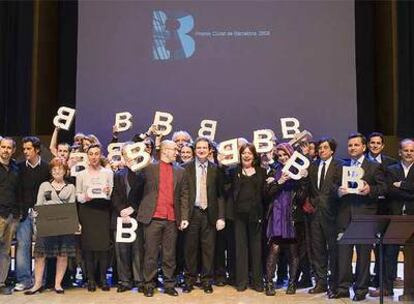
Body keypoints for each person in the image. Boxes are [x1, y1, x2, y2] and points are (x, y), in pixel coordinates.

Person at [331, 133, 387, 301]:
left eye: (356, 145)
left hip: (365, 215)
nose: (352, 148)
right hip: (344, 216)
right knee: (344, 255)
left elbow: (383, 188)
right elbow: (332, 187)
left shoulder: (374, 167)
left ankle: (361, 290)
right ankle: (343, 288)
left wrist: (370, 189)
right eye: (350, 145)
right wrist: (338, 191)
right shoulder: (342, 166)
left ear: (364, 147)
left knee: (363, 255)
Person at [137, 140, 187, 297]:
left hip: (172, 218)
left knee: (169, 254)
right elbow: (137, 184)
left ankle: (169, 284)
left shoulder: (180, 171)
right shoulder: (149, 168)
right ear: (164, 150)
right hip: (153, 217)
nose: (176, 153)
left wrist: (184, 216)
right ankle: (149, 284)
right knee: (150, 253)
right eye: (174, 150)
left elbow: (184, 194)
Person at [24, 158, 76, 295]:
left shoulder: (71, 187)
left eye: (60, 169)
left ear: (65, 171)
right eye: (54, 169)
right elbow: (39, 205)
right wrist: (37, 216)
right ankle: (37, 284)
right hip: (46, 225)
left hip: (64, 225)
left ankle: (58, 284)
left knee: (62, 255)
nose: (57, 171)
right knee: (40, 255)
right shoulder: (44, 185)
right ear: (51, 171)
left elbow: (72, 207)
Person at [180, 137, 225, 294]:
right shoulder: (185, 168)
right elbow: (182, 195)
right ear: (194, 150)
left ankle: (206, 280)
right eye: (198, 147)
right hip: (192, 213)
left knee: (208, 249)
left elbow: (220, 195)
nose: (201, 150)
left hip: (209, 214)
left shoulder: (215, 169)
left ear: (209, 150)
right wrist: (183, 216)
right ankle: (189, 280)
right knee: (190, 249)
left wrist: (221, 216)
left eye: (204, 148)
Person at [370, 138, 414, 297]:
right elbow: (389, 191)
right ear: (400, 152)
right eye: (406, 150)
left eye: (412, 151)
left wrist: (401, 185)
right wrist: (409, 191)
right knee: (389, 253)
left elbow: (397, 189)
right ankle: (386, 288)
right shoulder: (391, 169)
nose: (409, 153)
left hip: (413, 217)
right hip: (394, 217)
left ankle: (411, 290)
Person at [264, 143, 307, 296]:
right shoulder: (273, 171)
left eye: (285, 155)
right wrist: (279, 181)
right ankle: (269, 283)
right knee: (274, 249)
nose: (282, 158)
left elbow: (302, 199)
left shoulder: (298, 172)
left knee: (293, 251)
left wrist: (302, 180)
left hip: (292, 216)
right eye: (280, 155)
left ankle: (292, 283)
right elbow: (267, 194)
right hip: (276, 215)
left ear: (291, 156)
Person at [226, 143, 265, 292]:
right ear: (240, 155)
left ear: (254, 156)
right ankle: (241, 282)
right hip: (238, 216)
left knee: (256, 249)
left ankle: (257, 282)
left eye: (249, 153)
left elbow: (265, 193)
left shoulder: (262, 171)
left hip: (256, 216)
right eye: (244, 153)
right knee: (240, 249)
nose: (246, 155)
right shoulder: (234, 170)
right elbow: (224, 185)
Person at [307, 138, 342, 296]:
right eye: (320, 148)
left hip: (332, 214)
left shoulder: (339, 166)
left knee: (334, 250)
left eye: (325, 148)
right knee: (318, 250)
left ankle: (334, 284)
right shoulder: (312, 166)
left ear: (332, 150)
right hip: (315, 215)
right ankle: (321, 282)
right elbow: (309, 188)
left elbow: (340, 188)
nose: (321, 150)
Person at [76, 144, 113, 292]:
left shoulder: (108, 173)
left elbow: (111, 193)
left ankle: (103, 279)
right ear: (87, 156)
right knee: (88, 247)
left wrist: (108, 192)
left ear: (100, 155)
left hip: (103, 211)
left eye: (97, 154)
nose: (94, 157)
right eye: (91, 154)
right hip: (87, 211)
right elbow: (78, 195)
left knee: (103, 247)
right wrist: (85, 197)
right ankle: (91, 279)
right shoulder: (81, 175)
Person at [15, 137, 50, 291]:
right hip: (23, 213)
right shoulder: (19, 167)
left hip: (42, 213)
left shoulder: (47, 167)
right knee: (23, 246)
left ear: (36, 149)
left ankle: (40, 280)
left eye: (28, 149)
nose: (25, 152)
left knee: (42, 248)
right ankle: (24, 280)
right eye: (24, 149)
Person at [111, 143, 144, 293]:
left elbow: (148, 195)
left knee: (138, 250)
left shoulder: (144, 173)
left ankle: (139, 280)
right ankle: (125, 281)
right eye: (125, 154)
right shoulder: (118, 175)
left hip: (138, 218)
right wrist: (122, 210)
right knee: (122, 251)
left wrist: (134, 209)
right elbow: (115, 195)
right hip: (120, 218)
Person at [0, 137, 19, 295]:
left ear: (13, 150)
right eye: (3, 147)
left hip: (11, 216)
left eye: (8, 148)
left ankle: (1, 283)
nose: (5, 150)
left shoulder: (15, 168)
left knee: (5, 252)